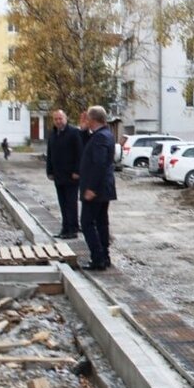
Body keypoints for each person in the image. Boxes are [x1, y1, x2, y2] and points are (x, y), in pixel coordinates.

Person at [78, 105, 117, 270]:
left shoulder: (101, 137)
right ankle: (104, 257)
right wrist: (83, 130)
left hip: (97, 189)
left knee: (87, 222)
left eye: (87, 118)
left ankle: (97, 258)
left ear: (92, 119)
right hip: (104, 188)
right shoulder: (104, 134)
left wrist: (91, 188)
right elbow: (87, 145)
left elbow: (99, 164)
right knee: (101, 223)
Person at [45, 109, 83, 239]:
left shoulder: (74, 133)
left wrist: (77, 171)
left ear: (65, 119)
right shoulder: (53, 134)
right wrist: (49, 171)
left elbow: (80, 154)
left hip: (71, 176)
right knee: (62, 203)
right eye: (56, 119)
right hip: (58, 175)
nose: (58, 121)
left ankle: (72, 229)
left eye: (60, 118)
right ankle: (65, 228)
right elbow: (50, 154)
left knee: (71, 203)